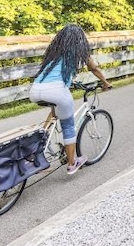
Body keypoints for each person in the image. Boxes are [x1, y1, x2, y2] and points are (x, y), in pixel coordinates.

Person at [29, 24, 112, 174]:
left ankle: (40, 140)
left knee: (55, 113)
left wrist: (69, 81)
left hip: (36, 90)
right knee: (68, 127)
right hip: (56, 91)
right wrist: (105, 83)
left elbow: (55, 73)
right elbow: (94, 68)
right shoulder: (80, 51)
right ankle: (72, 163)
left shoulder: (53, 53)